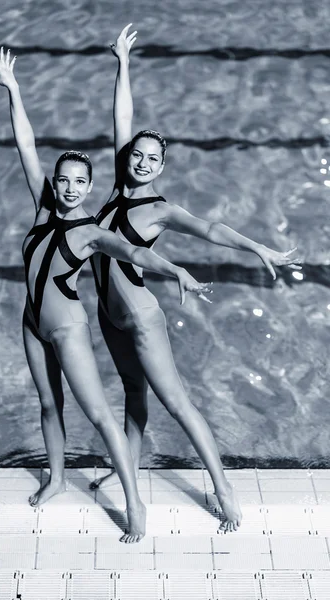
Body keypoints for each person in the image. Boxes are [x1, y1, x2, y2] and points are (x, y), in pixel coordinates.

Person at [0, 47, 208, 543]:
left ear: (89, 187)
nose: (68, 188)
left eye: (78, 182)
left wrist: (174, 269)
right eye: (61, 180)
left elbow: (134, 253)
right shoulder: (44, 211)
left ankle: (135, 505)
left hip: (67, 328)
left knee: (99, 414)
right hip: (31, 320)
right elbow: (25, 145)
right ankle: (59, 478)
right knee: (48, 404)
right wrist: (14, 90)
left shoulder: (90, 231)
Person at [89, 25, 302, 532]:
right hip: (108, 315)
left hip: (141, 318)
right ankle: (131, 483)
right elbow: (122, 119)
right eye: (136, 155)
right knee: (133, 399)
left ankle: (224, 490)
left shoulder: (161, 208)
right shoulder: (121, 185)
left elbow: (209, 228)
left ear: (163, 166)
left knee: (178, 404)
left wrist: (256, 246)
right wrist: (122, 62)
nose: (141, 161)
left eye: (151, 159)